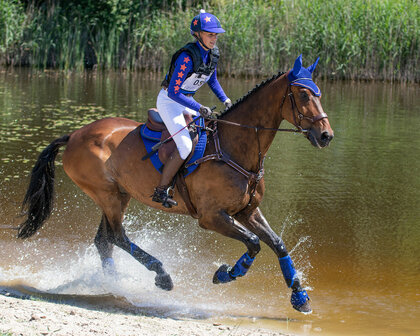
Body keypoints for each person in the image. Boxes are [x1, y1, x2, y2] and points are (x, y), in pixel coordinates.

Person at [152, 10, 232, 208]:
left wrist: (226, 99)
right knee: (186, 145)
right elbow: (173, 92)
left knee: (212, 132)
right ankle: (161, 190)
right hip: (169, 101)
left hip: (187, 101)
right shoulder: (187, 58)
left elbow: (212, 81)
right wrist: (198, 107)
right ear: (198, 35)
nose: (214, 38)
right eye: (210, 34)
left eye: (216, 35)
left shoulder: (213, 55)